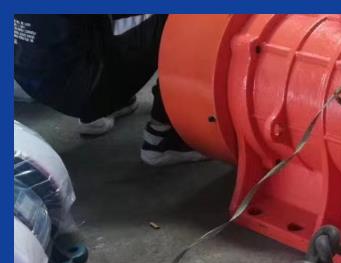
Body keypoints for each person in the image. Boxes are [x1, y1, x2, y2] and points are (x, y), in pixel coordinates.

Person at [13, 14, 204, 167]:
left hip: (33, 78)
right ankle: (166, 138)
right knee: (191, 13)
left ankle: (109, 106)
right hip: (86, 86)